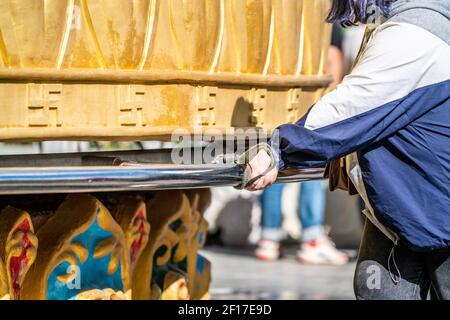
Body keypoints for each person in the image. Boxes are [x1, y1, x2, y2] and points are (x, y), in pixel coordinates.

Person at [246, 0, 450, 300]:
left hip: (433, 205)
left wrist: (278, 149)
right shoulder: (413, 20)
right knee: (376, 290)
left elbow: (353, 105)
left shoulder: (417, 29)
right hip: (408, 207)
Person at [255, 25, 348, 265]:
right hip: (311, 102)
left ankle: (269, 238)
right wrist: (334, 98)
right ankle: (312, 239)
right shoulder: (322, 14)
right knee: (312, 171)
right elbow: (332, 56)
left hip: (276, 98)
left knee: (273, 163)